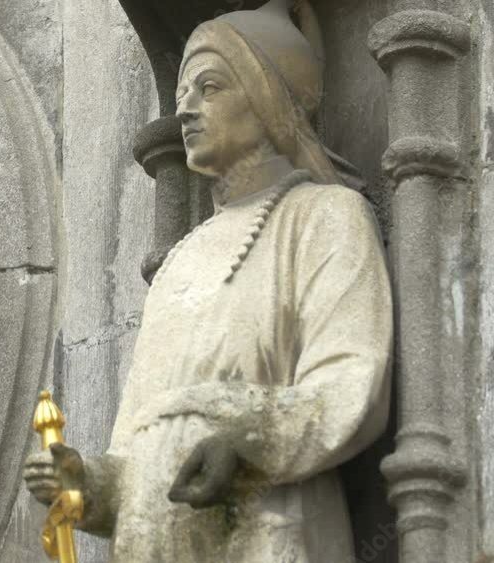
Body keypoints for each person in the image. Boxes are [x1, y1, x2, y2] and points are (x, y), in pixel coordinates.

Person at [24, 1, 392, 560]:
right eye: (180, 97)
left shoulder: (325, 217)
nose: (187, 111)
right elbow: (133, 445)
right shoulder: (179, 259)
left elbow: (350, 383)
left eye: (210, 88)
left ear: (267, 97)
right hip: (152, 538)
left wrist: (248, 441)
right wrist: (89, 482)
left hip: (267, 525)